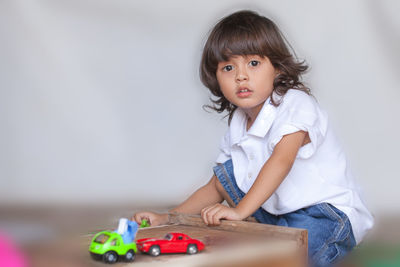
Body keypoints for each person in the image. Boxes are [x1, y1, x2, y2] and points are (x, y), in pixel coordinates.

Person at [132, 10, 373, 266]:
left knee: (288, 258)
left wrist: (239, 211)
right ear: (216, 79)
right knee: (227, 174)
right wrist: (168, 218)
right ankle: (256, 232)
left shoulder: (295, 104)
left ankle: (266, 236)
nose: (241, 76)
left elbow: (282, 160)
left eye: (253, 64)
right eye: (228, 67)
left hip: (323, 214)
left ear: (277, 68)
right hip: (275, 214)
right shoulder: (239, 123)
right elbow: (217, 186)